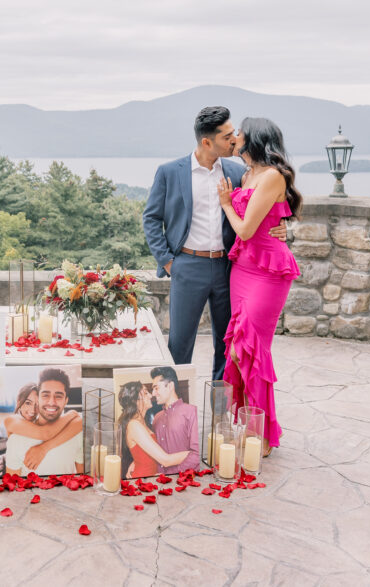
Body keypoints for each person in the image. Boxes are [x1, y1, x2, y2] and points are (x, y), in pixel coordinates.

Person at [143, 107, 287, 379]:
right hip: (186, 266)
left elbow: (265, 204)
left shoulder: (238, 172)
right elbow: (151, 218)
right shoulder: (170, 172)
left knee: (227, 345)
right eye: (227, 136)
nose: (234, 139)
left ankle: (221, 414)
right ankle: (176, 414)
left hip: (229, 269)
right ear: (207, 142)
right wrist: (168, 261)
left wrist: (281, 227)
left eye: (235, 133)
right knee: (179, 344)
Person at [217, 118, 302, 457]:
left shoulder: (271, 176)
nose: (234, 137)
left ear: (253, 138)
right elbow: (273, 218)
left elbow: (247, 230)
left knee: (250, 349)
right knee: (238, 352)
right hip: (242, 268)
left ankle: (263, 434)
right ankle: (246, 425)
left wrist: (226, 203)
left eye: (238, 132)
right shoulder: (247, 175)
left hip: (268, 271)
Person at [116, 380, 192, 478]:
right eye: (146, 392)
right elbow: (166, 460)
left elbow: (143, 451)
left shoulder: (142, 422)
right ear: (136, 400)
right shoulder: (134, 425)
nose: (150, 396)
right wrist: (193, 453)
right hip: (142, 481)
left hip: (150, 478)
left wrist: (136, 461)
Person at [2, 383, 80, 474]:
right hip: (10, 464)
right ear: (19, 402)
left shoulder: (38, 423)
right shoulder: (11, 420)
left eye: (37, 405)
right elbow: (46, 433)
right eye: (28, 403)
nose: (33, 410)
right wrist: (71, 414)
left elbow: (79, 423)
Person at [28, 368, 85, 474]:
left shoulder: (78, 432)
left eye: (58, 396)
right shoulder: (21, 433)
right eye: (45, 395)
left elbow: (81, 475)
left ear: (66, 401)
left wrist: (43, 448)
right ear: (37, 398)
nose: (51, 402)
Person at [149, 366, 200, 474]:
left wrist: (174, 474)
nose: (153, 393)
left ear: (170, 386)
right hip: (158, 481)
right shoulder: (157, 419)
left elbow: (196, 454)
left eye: (156, 388)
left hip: (183, 481)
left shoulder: (192, 412)